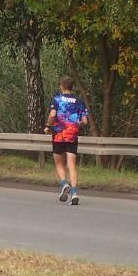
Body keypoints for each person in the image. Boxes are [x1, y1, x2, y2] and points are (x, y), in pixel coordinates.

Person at [45, 76, 88, 205]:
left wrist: (48, 126)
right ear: (72, 87)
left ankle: (64, 184)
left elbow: (53, 114)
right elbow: (84, 121)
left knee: (59, 163)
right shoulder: (79, 101)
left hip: (58, 135)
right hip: (72, 136)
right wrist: (76, 125)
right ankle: (74, 194)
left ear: (61, 86)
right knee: (72, 165)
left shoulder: (57, 99)